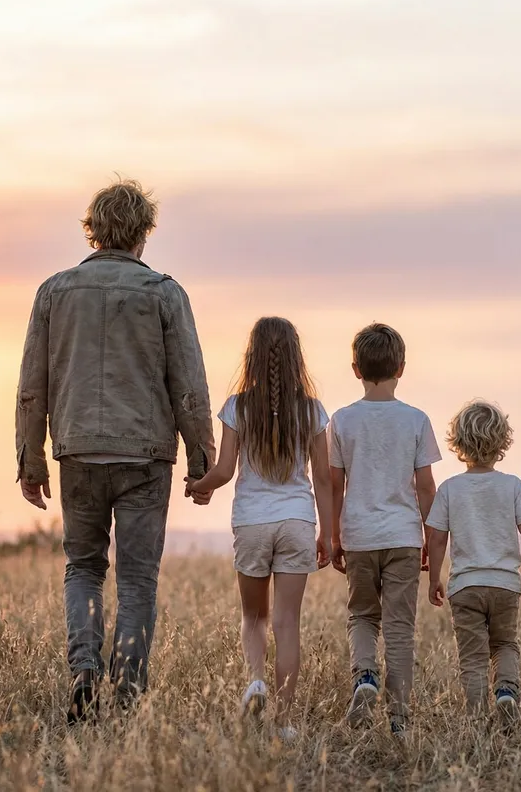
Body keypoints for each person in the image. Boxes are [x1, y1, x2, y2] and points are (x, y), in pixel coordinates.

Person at [15, 179, 216, 723]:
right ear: (143, 233)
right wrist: (203, 460)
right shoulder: (166, 293)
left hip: (77, 450)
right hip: (146, 455)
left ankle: (84, 672)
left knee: (82, 568)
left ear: (94, 229)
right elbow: (189, 385)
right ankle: (126, 694)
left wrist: (30, 460)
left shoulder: (54, 291)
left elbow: (33, 382)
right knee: (136, 579)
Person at [186, 317, 332, 742]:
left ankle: (255, 680)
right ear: (295, 358)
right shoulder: (312, 410)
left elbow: (225, 471)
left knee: (255, 616)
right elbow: (323, 478)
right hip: (298, 522)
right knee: (288, 623)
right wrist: (328, 533)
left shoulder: (237, 407)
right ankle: (284, 724)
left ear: (252, 355)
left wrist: (199, 486)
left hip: (252, 522)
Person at [329, 323, 441, 735]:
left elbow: (334, 484)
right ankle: (399, 720)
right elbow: (426, 487)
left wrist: (335, 535)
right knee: (399, 626)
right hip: (404, 537)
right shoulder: (416, 420)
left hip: (359, 535)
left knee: (361, 613)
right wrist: (431, 539)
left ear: (355, 368)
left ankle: (364, 677)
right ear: (402, 367)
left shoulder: (341, 421)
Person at [426, 401, 521, 728]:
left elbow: (436, 537)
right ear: (502, 442)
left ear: (458, 443)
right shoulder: (512, 485)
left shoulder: (450, 488)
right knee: (504, 644)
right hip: (505, 585)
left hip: (465, 587)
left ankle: (476, 716)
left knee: (473, 657)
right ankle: (505, 692)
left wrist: (435, 577)